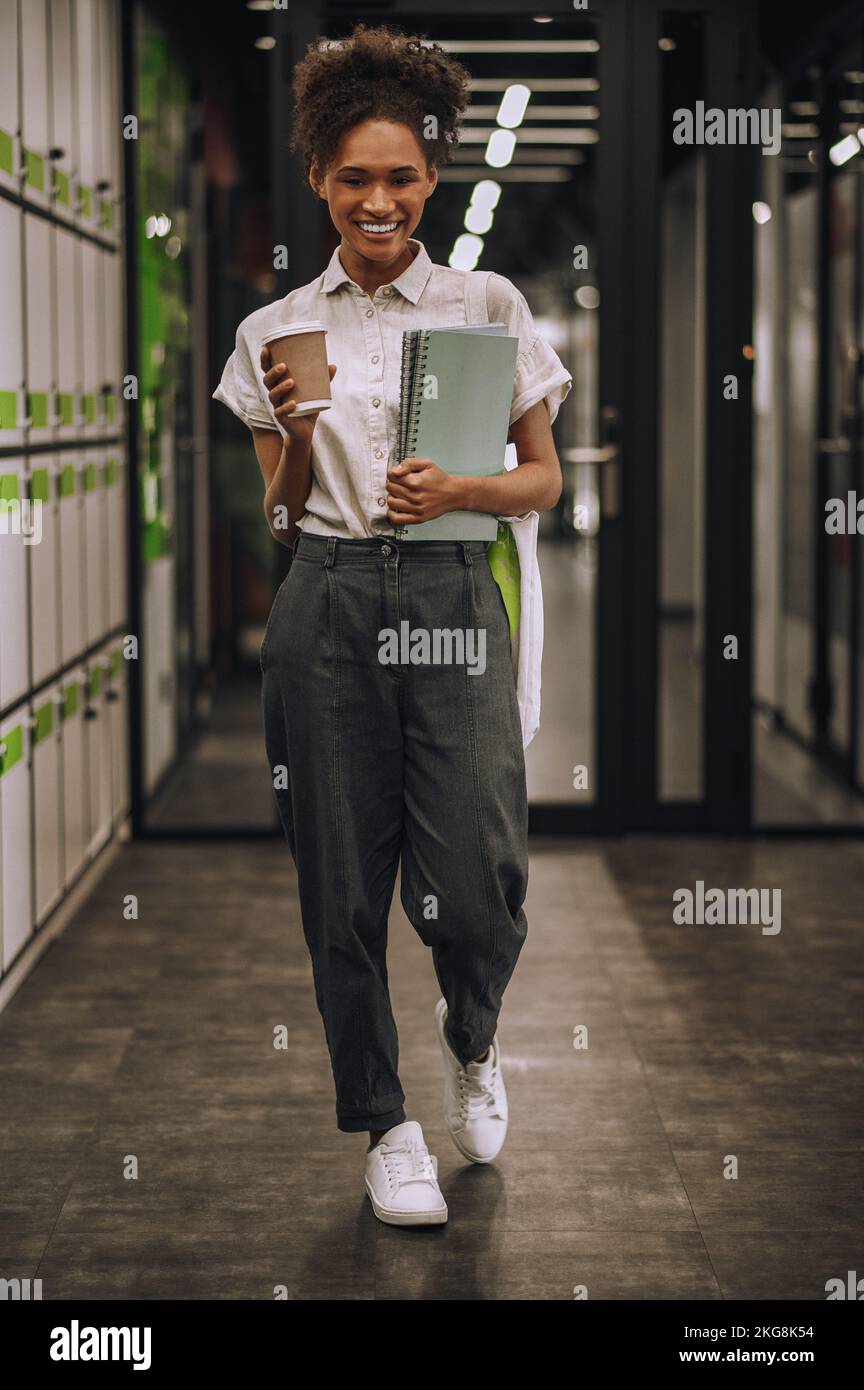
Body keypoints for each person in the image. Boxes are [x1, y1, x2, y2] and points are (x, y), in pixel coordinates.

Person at [213, 22, 572, 1227]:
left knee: (477, 878)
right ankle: (384, 1123)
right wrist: (298, 439)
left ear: (433, 179)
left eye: (402, 178)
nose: (380, 201)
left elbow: (547, 481)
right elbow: (276, 519)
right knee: (341, 885)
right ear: (319, 178)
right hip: (325, 600)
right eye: (355, 179)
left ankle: (472, 1035)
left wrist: (460, 491)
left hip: (454, 589)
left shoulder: (486, 300)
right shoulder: (271, 336)